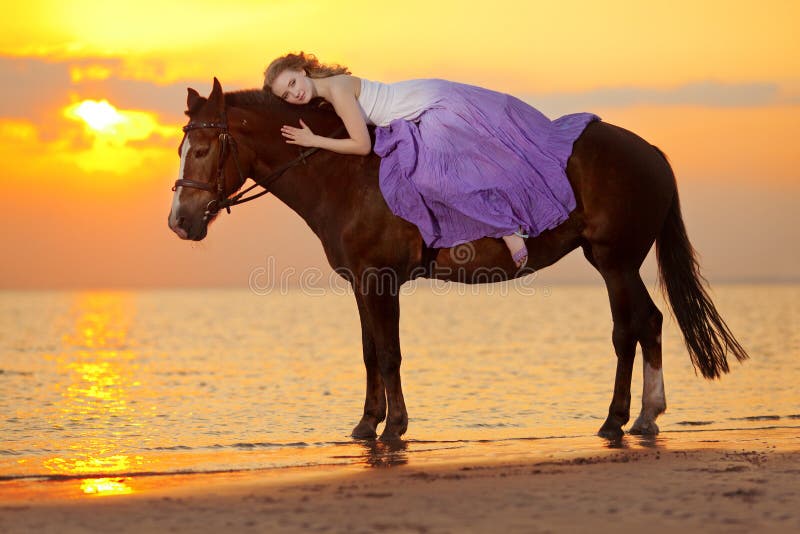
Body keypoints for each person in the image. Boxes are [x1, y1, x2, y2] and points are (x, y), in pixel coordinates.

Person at [264, 52, 599, 269]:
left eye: (293, 83)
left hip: (432, 107)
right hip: (415, 113)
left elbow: (362, 145)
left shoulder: (336, 91)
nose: (294, 94)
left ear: (303, 70)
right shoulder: (326, 91)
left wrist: (313, 141)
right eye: (286, 94)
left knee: (436, 178)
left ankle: (508, 228)